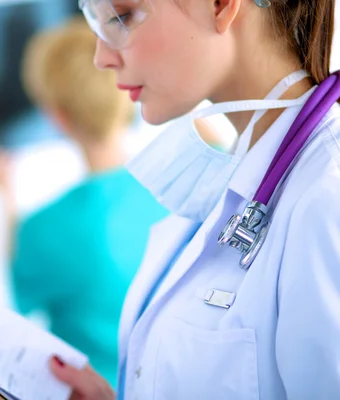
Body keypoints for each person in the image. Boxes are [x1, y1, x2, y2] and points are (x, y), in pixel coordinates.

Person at [47, 0, 340, 399]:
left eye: (121, 17)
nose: (101, 57)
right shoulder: (239, 173)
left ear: (220, 5)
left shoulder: (327, 196)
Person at [0, 18, 226, 388]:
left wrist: (5, 197)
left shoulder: (41, 230)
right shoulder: (188, 184)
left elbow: (18, 297)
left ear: (58, 117)